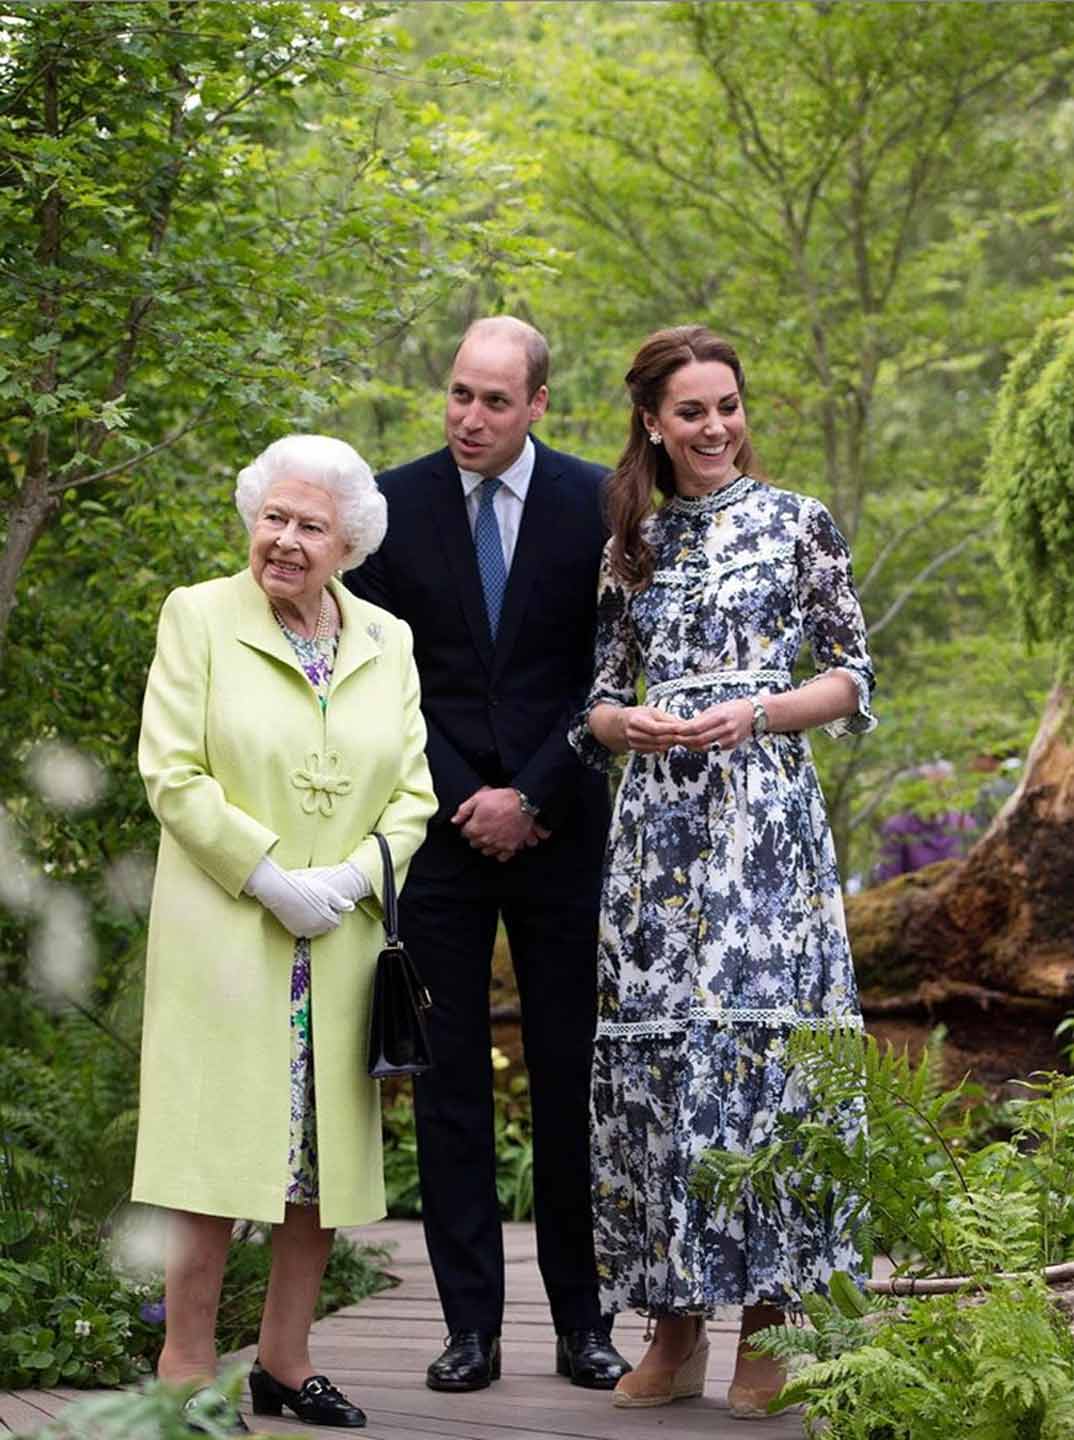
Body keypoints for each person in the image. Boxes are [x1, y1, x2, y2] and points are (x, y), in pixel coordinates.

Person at [570, 327, 876, 1419]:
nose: (714, 428)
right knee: (661, 1067)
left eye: (728, 406)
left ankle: (769, 1322)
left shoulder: (800, 523)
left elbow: (849, 676)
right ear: (652, 421)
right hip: (657, 839)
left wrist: (755, 712)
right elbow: (595, 701)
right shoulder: (631, 543)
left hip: (764, 824)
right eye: (692, 411)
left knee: (765, 1055)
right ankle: (674, 1325)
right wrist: (627, 724)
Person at [348, 316, 630, 1393]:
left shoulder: (601, 504)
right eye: (459, 395)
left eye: (495, 401)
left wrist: (539, 791)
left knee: (571, 1083)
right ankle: (469, 1330)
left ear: (540, 405)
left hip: (564, 832)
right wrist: (474, 797)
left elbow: (612, 667)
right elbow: (382, 679)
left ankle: (584, 1326)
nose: (469, 418)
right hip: (442, 838)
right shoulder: (392, 505)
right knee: (450, 1087)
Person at [134, 434, 437, 1434]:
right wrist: (267, 877)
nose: (286, 540)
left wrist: (351, 880)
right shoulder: (200, 617)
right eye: (274, 517)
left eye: (311, 525)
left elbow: (414, 792)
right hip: (230, 932)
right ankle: (185, 1366)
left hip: (340, 944)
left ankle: (284, 1359)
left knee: (316, 1164)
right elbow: (172, 773)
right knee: (211, 1159)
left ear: (349, 541)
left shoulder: (386, 639)